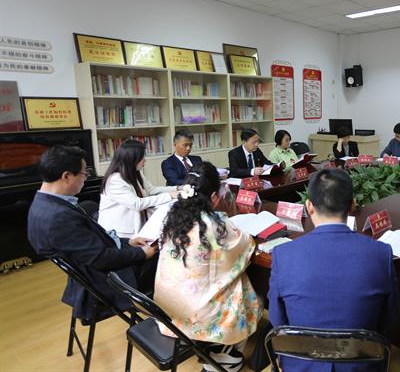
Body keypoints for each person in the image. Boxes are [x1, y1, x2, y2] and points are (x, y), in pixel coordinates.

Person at [268, 168, 399, 372]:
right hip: (362, 363)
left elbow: (277, 321)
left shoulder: (282, 255)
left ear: (309, 206)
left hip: (302, 365)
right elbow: (390, 318)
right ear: (353, 205)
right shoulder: (381, 253)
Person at [27, 145, 157, 321]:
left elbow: (90, 245)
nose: (85, 178)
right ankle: (171, 320)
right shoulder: (59, 217)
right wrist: (142, 253)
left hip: (96, 268)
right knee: (167, 257)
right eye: (83, 173)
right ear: (66, 176)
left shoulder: (43, 203)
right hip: (107, 281)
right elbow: (102, 258)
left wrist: (128, 242)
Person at [155, 162, 262, 372]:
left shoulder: (173, 218)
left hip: (168, 307)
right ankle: (224, 352)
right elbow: (246, 246)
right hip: (196, 314)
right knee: (245, 286)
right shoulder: (215, 225)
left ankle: (213, 346)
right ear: (214, 196)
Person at [98, 139, 177, 238]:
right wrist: (169, 196)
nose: (145, 160)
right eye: (142, 157)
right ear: (132, 159)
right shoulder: (115, 180)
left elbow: (151, 190)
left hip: (139, 226)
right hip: (118, 234)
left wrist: (177, 188)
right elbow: (136, 204)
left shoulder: (135, 172)